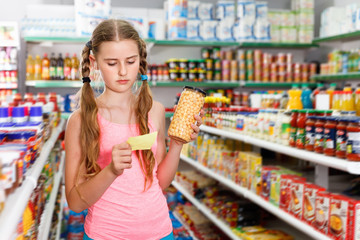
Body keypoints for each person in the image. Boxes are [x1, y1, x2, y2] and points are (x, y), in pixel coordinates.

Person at [64, 19, 203, 240]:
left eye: (130, 61)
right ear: (95, 62)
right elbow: (74, 201)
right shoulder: (81, 120)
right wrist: (110, 171)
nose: (122, 71)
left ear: (140, 60)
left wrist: (177, 143)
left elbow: (160, 182)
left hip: (160, 231)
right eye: (111, 63)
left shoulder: (153, 110)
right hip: (106, 234)